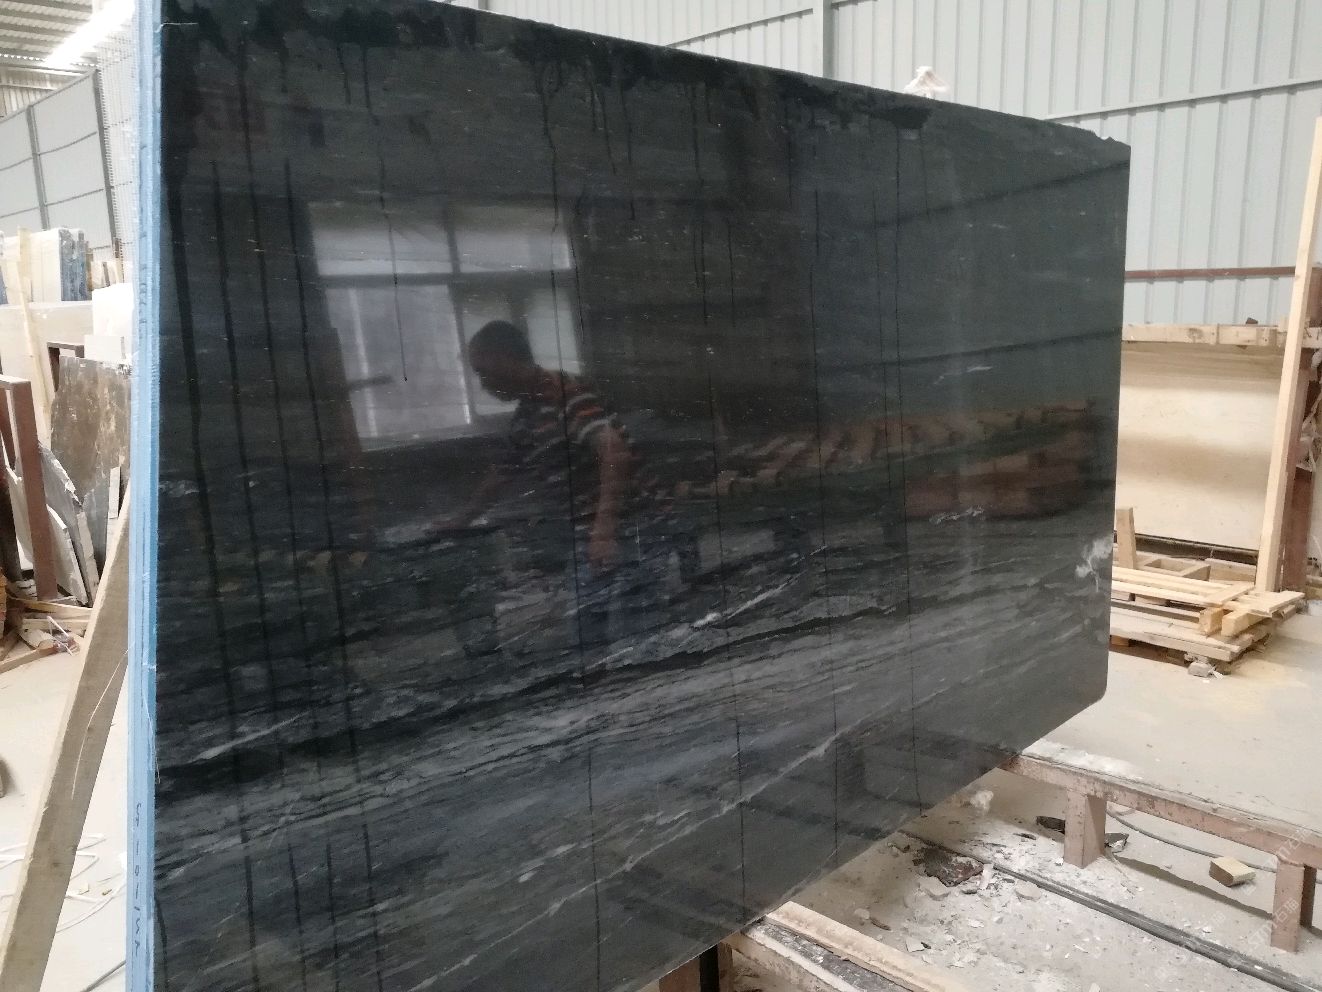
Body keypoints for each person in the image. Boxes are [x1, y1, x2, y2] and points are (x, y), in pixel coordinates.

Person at [449, 320, 661, 651]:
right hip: (590, 530)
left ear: (504, 358)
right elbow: (503, 473)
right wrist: (461, 519)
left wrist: (604, 531)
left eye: (483, 371)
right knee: (591, 632)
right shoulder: (528, 415)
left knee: (637, 631)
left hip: (629, 525)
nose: (483, 384)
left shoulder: (566, 394)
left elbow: (615, 452)